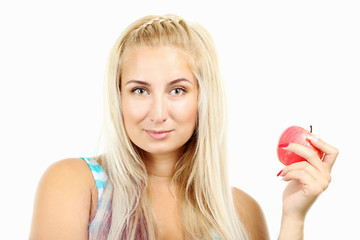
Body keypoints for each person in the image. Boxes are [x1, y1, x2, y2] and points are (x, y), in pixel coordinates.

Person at [29, 14, 338, 240]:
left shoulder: (241, 213)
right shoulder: (75, 184)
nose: (158, 113)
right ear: (118, 96)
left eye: (177, 90)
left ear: (203, 98)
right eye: (139, 90)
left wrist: (293, 216)